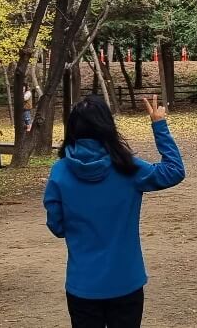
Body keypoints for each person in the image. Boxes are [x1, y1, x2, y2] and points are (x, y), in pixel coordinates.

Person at [44, 94, 184, 328]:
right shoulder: (128, 168)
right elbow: (174, 171)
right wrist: (159, 125)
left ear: (72, 129)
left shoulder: (60, 172)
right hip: (126, 279)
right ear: (108, 127)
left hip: (83, 283)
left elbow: (56, 227)